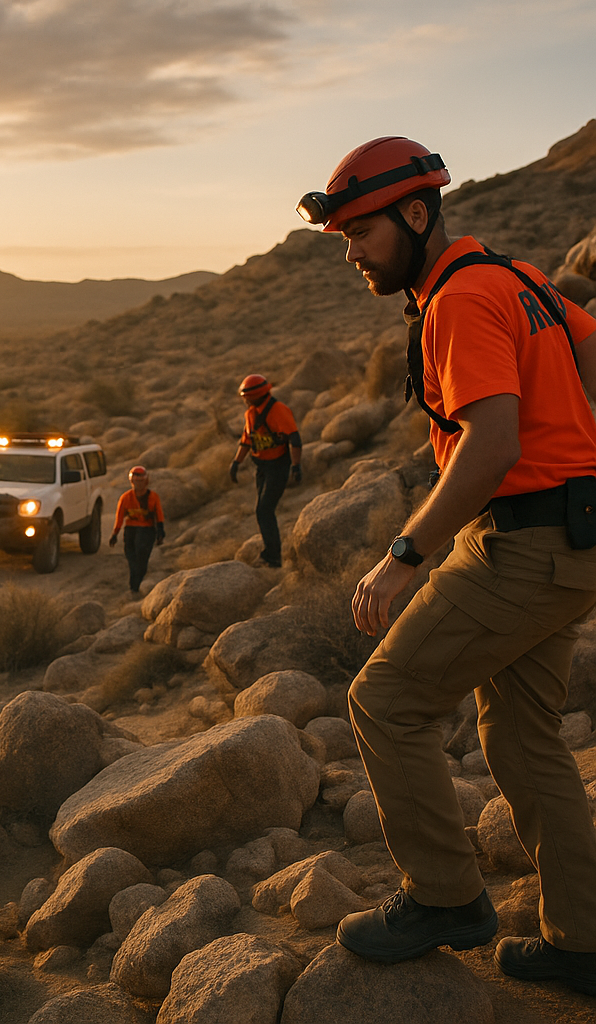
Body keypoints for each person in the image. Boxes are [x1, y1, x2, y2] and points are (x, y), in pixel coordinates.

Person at [296, 135, 596, 993]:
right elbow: (593, 352)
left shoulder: (462, 298)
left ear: (415, 214)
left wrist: (404, 556)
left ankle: (445, 897)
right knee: (527, 737)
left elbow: (491, 444)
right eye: (345, 236)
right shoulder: (521, 276)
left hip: (521, 548)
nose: (352, 253)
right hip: (573, 541)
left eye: (361, 232)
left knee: (385, 702)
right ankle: (581, 942)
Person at [229, 374, 303, 567]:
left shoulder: (279, 411)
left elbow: (294, 439)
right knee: (262, 510)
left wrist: (296, 466)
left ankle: (273, 556)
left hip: (278, 466)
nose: (244, 400)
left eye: (246, 397)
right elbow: (247, 440)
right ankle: (271, 553)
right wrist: (236, 462)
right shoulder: (251, 414)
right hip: (261, 467)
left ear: (256, 395)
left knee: (264, 510)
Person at [108, 466, 165, 595]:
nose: (138, 484)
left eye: (141, 481)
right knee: (131, 557)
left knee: (142, 558)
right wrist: (115, 534)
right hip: (131, 531)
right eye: (136, 481)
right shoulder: (125, 498)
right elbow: (119, 518)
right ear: (131, 481)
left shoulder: (153, 497)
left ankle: (135, 585)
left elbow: (159, 515)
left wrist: (160, 532)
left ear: (146, 481)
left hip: (147, 531)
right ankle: (134, 586)